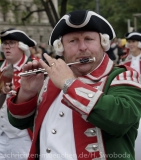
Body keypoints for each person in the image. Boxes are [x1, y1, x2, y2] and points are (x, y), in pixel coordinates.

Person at [7, 10, 141, 160]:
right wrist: (26, 93)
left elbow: (121, 119)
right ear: (61, 48)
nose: (82, 47)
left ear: (103, 44)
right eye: (73, 41)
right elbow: (18, 123)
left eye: (89, 39)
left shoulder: (122, 76)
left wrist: (69, 83)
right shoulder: (48, 80)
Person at [0, 28, 37, 160]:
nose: (7, 47)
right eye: (5, 43)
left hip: (23, 137)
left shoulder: (34, 68)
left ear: (22, 46)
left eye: (12, 43)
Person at [121, 31, 141, 160]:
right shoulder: (124, 60)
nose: (130, 44)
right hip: (131, 98)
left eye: (133, 41)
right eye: (129, 41)